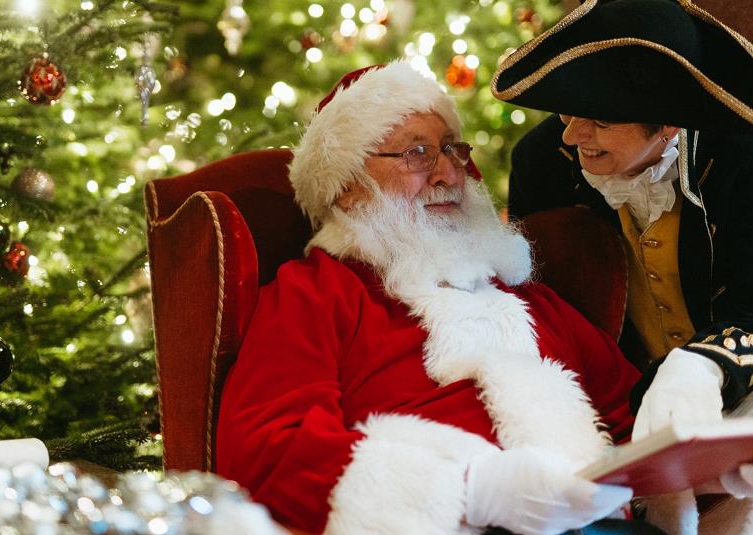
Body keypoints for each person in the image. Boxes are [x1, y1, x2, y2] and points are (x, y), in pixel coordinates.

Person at [215, 60, 662, 535]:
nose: (449, 173)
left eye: (452, 149)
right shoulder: (315, 292)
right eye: (417, 153)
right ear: (346, 189)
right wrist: (473, 489)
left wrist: (700, 454)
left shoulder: (524, 298)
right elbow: (266, 448)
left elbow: (632, 411)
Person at [492, 0, 753, 531]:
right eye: (567, 110)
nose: (571, 135)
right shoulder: (542, 162)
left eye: (601, 120)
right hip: (627, 425)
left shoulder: (742, 160)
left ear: (669, 126)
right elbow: (543, 307)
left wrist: (704, 364)